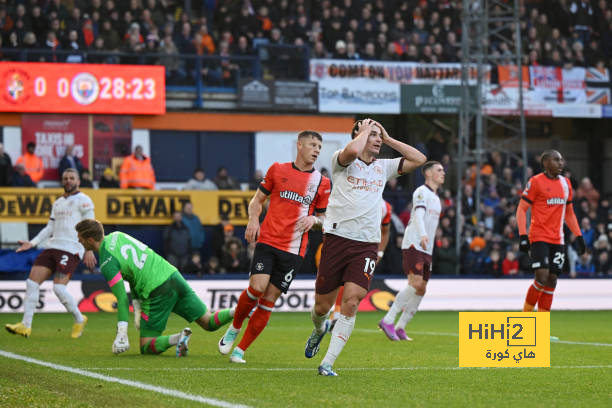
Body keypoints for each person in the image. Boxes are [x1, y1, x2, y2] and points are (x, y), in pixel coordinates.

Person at [305, 119, 426, 376]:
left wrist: (389, 138)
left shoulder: (384, 167)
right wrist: (362, 132)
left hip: (366, 246)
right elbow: (351, 151)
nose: (378, 139)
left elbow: (419, 159)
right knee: (321, 307)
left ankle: (327, 363)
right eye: (373, 135)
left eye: (379, 135)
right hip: (337, 239)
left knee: (351, 302)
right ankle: (319, 329)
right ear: (358, 135)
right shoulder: (341, 159)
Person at [217, 130, 331, 364]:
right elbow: (257, 200)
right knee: (256, 288)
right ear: (299, 145)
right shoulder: (278, 170)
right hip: (269, 241)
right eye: (312, 144)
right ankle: (235, 327)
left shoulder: (322, 182)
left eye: (320, 146)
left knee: (269, 299)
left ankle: (240, 350)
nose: (317, 149)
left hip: (294, 250)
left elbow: (326, 218)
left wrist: (315, 221)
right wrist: (253, 219)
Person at [75, 219, 236, 356]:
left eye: (80, 238)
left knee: (146, 345)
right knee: (208, 322)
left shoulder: (106, 261)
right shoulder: (117, 236)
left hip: (157, 290)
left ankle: (178, 338)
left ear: (90, 240)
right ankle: (240, 309)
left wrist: (122, 333)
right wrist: (137, 307)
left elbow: (122, 299)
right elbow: (133, 272)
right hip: (172, 275)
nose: (78, 241)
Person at [5, 169, 96, 338]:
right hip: (52, 247)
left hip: (71, 249)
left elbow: (91, 225)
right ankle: (26, 325)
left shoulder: (84, 200)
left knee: (58, 287)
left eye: (71, 178)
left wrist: (88, 249)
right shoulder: (58, 202)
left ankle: (79, 318)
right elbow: (49, 227)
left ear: (78, 181)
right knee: (32, 283)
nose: (68, 181)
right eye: (65, 178)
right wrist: (31, 243)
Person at [378, 161, 444, 341]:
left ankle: (401, 327)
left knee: (421, 288)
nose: (443, 173)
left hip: (427, 248)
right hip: (414, 243)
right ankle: (388, 319)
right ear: (428, 173)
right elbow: (420, 216)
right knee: (415, 283)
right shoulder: (421, 192)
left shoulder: (437, 199)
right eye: (439, 170)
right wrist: (423, 235)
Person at [516, 150, 585, 313]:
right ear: (546, 163)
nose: (560, 163)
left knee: (552, 281)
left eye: (561, 160)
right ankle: (526, 320)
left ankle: (541, 327)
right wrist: (523, 235)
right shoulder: (535, 182)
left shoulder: (566, 183)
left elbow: (569, 213)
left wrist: (579, 236)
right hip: (539, 237)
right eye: (556, 160)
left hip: (558, 239)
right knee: (541, 277)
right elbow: (521, 209)